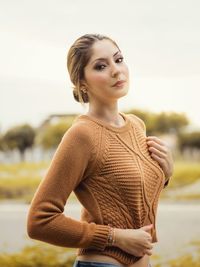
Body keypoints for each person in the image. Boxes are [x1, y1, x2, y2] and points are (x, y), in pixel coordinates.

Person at [27, 34, 174, 267]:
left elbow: (131, 200)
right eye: (101, 66)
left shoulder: (136, 125)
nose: (116, 70)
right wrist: (114, 237)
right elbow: (39, 221)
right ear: (81, 82)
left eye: (119, 59)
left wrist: (165, 174)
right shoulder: (82, 135)